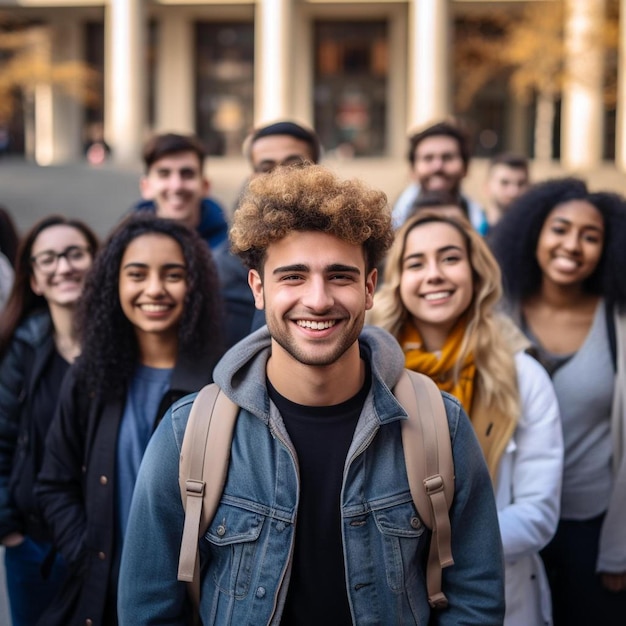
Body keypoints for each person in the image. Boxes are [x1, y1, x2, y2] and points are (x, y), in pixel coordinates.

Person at [118, 165, 505, 625]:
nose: (318, 300)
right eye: (293, 277)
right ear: (258, 289)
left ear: (369, 288)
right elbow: (148, 610)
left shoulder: (441, 425)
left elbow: (476, 601)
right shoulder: (188, 433)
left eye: (339, 276)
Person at [369, 211, 563, 625]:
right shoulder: (367, 372)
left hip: (500, 596)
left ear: (477, 273)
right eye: (416, 263)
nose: (434, 274)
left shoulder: (522, 376)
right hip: (388, 597)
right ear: (396, 280)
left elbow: (538, 514)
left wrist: (425, 547)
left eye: (450, 258)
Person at [35, 214, 224, 626]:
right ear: (114, 284)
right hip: (101, 595)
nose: (154, 289)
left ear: (195, 285)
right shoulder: (90, 375)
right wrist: (90, 551)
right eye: (137, 274)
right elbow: (54, 482)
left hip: (191, 604)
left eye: (173, 275)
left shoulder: (223, 381)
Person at [489, 177, 626, 625]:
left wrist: (619, 547)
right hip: (506, 523)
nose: (573, 245)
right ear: (534, 233)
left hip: (591, 526)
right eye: (560, 229)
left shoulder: (618, 321)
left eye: (591, 236)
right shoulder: (495, 313)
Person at [0, 216, 98, 626]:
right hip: (33, 546)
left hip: (104, 546)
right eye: (49, 259)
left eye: (75, 254)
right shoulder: (23, 348)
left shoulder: (126, 349)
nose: (64, 266)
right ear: (35, 280)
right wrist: (9, 530)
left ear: (97, 264)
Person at [213, 120, 323, 349]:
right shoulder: (222, 265)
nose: (280, 176)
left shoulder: (352, 246)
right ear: (252, 178)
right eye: (267, 168)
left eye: (294, 165)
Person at [392, 119, 488, 235]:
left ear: (466, 168)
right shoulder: (390, 224)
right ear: (412, 170)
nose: (438, 167)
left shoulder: (482, 223)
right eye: (428, 158)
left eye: (447, 157)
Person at [134, 132, 229, 249]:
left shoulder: (233, 253)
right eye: (164, 174)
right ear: (146, 187)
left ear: (205, 186)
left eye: (187, 174)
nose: (176, 186)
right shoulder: (124, 248)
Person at [483, 153, 530, 228]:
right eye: (504, 183)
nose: (514, 192)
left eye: (521, 184)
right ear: (487, 187)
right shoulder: (472, 231)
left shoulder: (537, 234)